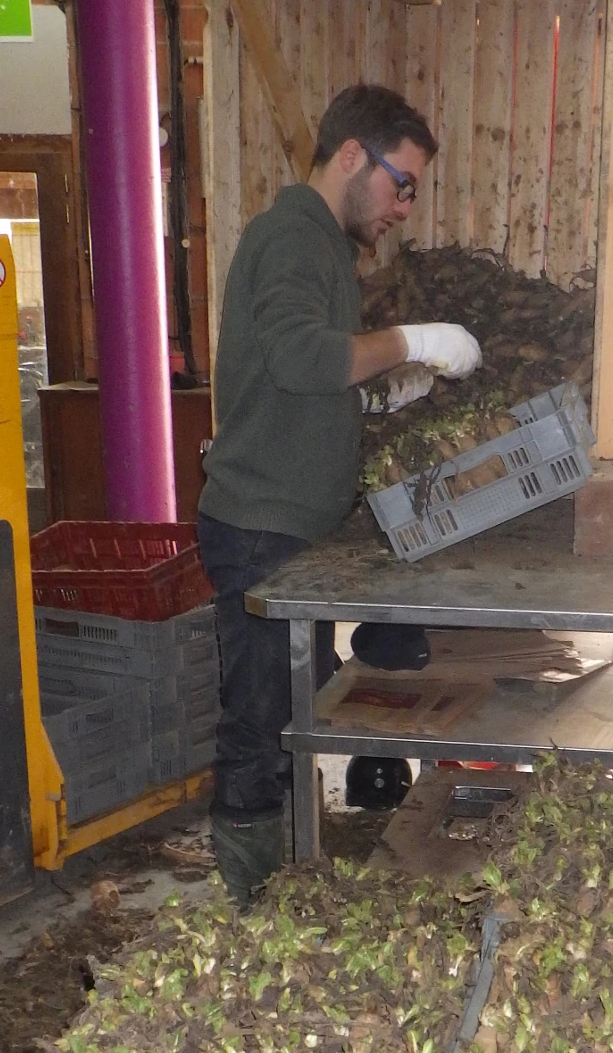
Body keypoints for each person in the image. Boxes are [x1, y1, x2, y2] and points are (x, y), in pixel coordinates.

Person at [197, 83, 482, 906]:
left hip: (295, 532)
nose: (405, 207)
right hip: (258, 529)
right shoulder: (291, 237)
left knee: (292, 715)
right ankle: (253, 905)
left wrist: (379, 399)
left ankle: (287, 870)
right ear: (353, 155)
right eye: (403, 184)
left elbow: (301, 380)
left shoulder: (324, 248)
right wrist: (413, 341)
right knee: (259, 725)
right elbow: (302, 359)